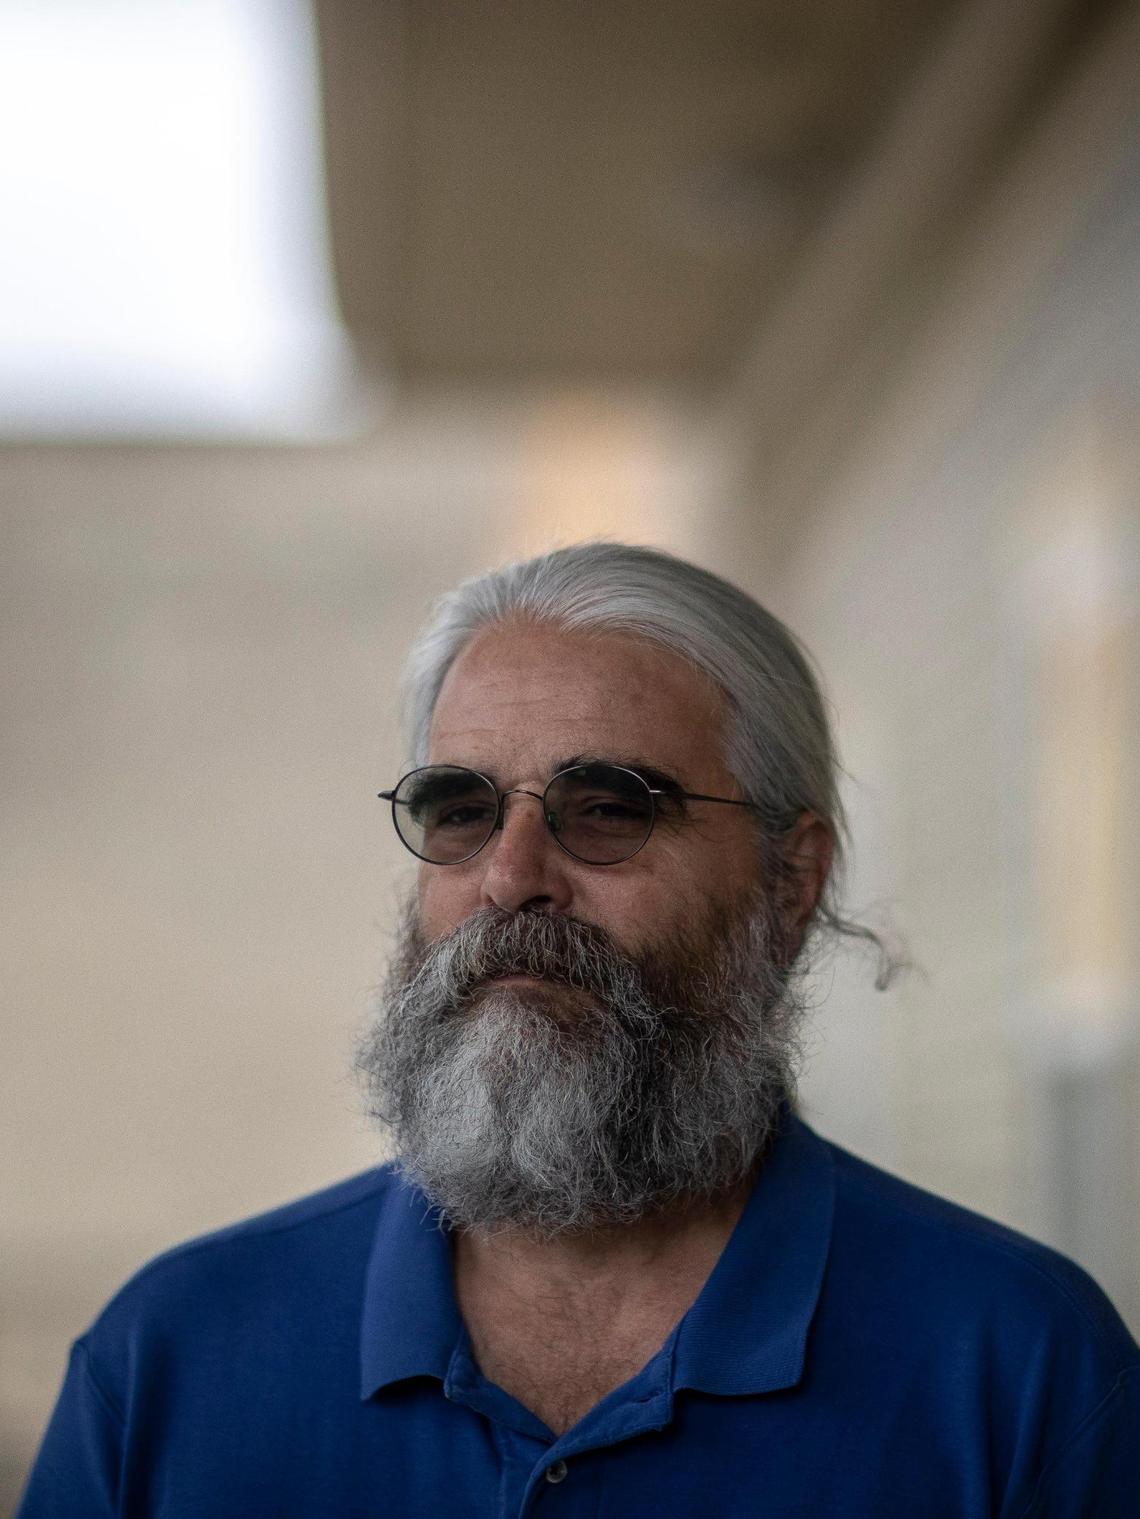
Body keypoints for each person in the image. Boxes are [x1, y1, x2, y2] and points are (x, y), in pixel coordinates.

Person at [18, 543, 1139, 1517]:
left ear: (791, 880)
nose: (511, 877)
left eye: (607, 808)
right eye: (462, 809)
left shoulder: (1020, 1371)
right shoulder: (171, 1362)